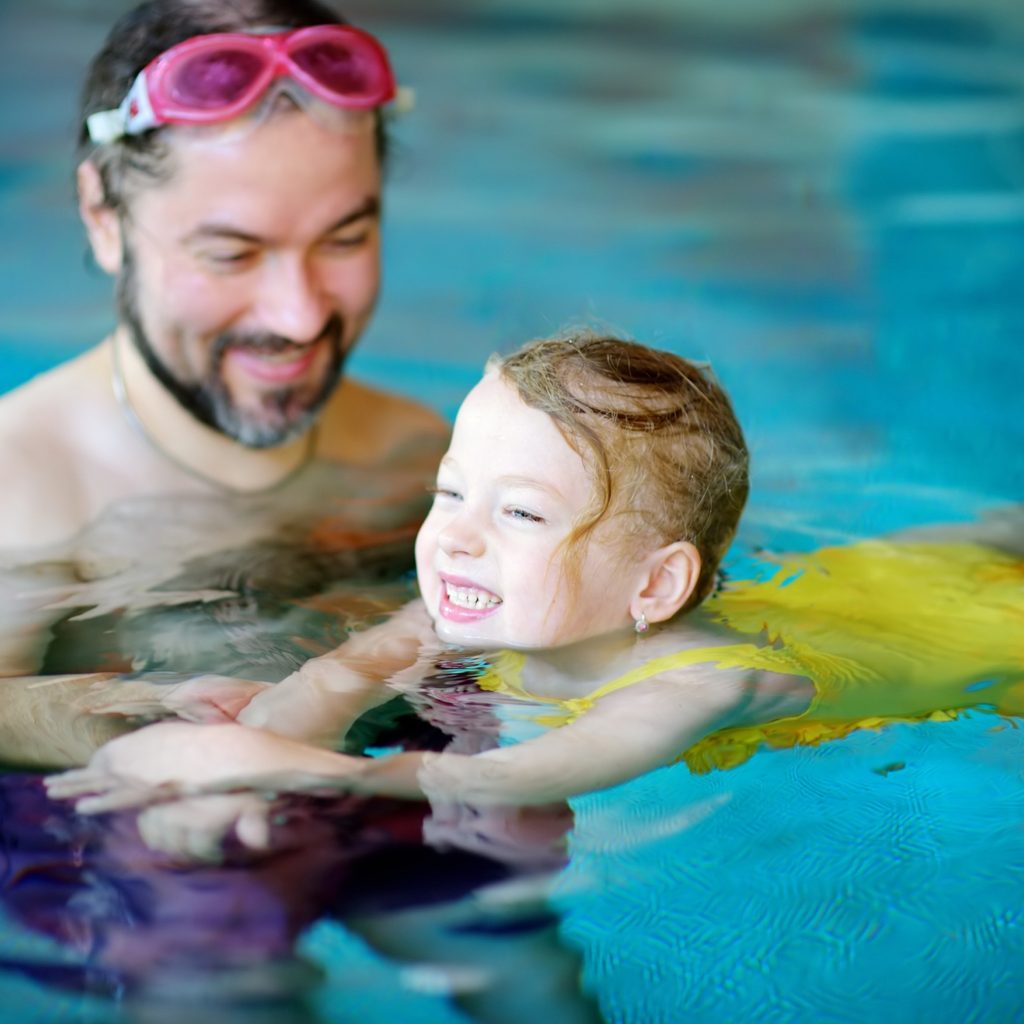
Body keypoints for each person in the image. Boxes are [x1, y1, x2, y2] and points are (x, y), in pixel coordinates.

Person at [48, 331, 1024, 834]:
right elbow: (331, 683)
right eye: (449, 492)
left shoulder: (700, 687)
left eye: (518, 513)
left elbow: (520, 773)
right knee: (960, 545)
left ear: (655, 586)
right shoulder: (468, 596)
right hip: (848, 585)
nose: (456, 539)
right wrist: (233, 758)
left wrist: (277, 768)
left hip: (982, 638)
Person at [0, 0, 448, 767]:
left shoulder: (421, 454)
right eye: (232, 254)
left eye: (346, 238)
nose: (300, 316)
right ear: (103, 216)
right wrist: (133, 717)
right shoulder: (22, 487)